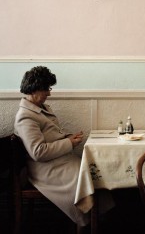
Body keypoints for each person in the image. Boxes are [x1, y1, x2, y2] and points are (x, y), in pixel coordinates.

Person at [14, 66, 90, 229]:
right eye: (47, 88)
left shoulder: (41, 109)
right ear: (35, 88)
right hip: (45, 169)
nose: (49, 93)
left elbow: (50, 137)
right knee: (85, 176)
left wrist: (69, 138)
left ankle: (94, 217)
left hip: (57, 162)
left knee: (91, 170)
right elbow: (38, 152)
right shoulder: (25, 116)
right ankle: (87, 221)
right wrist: (69, 143)